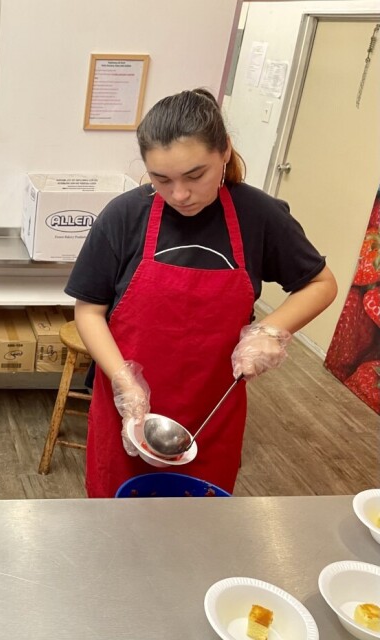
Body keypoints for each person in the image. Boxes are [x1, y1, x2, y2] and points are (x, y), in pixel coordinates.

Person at [66, 88, 337, 498]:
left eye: (195, 176)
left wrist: (270, 330)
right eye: (161, 179)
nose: (179, 195)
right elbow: (88, 310)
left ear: (224, 152)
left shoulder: (257, 215)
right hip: (129, 413)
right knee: (117, 527)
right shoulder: (124, 216)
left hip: (214, 413)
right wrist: (124, 380)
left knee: (197, 531)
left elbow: (320, 284)